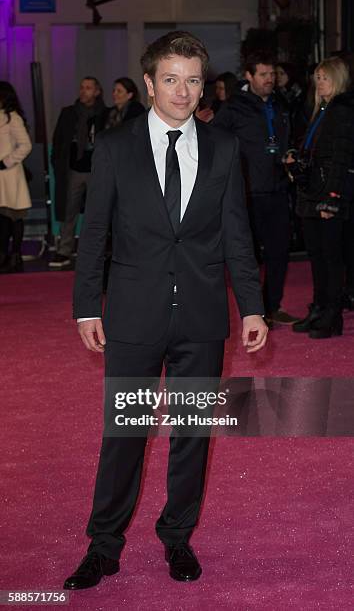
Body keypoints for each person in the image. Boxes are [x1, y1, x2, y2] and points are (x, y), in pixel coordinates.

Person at [64, 30, 267, 590]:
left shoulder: (223, 148)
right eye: (171, 79)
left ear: (205, 85)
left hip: (201, 317)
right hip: (133, 315)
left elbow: (237, 236)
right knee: (125, 434)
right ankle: (104, 545)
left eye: (194, 79)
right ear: (150, 83)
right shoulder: (115, 146)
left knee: (192, 433)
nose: (182, 90)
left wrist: (251, 306)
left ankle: (177, 536)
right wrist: (87, 307)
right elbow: (95, 233)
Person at [214, 53, 299, 326]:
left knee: (279, 251)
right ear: (249, 76)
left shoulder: (281, 103)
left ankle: (272, 307)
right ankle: (254, 311)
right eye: (263, 74)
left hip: (277, 188)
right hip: (247, 193)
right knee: (248, 255)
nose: (269, 79)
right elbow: (215, 139)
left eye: (271, 74)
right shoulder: (234, 106)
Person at [289, 57, 354, 338]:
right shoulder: (321, 109)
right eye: (317, 77)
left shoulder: (341, 110)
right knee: (316, 257)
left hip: (328, 193)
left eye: (324, 77)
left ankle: (332, 315)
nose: (319, 82)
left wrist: (333, 197)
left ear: (337, 79)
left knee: (331, 258)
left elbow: (342, 158)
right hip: (312, 191)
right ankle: (319, 308)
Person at [49, 77, 107, 268]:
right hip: (73, 169)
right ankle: (64, 249)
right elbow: (59, 141)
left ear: (97, 91)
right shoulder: (69, 113)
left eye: (88, 88)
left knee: (97, 213)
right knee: (68, 211)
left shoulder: (105, 114)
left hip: (97, 171)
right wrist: (57, 163)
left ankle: (93, 251)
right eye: (82, 87)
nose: (84, 91)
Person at [0, 81, 32, 273]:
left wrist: (7, 161)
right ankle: (3, 254)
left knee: (13, 217)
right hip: (1, 176)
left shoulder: (13, 118)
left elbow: (25, 145)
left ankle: (15, 254)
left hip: (11, 174)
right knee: (2, 218)